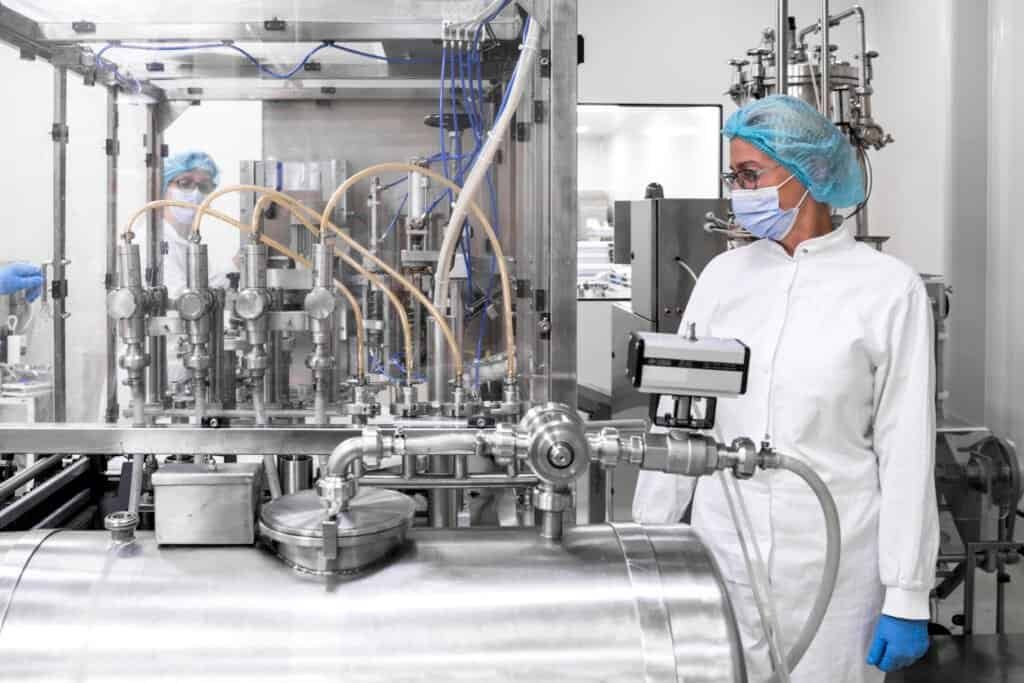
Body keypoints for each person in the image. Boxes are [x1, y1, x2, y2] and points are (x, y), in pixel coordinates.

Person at [633, 95, 938, 683]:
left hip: (834, 556)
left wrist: (907, 593)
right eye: (734, 175)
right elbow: (679, 416)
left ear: (806, 175)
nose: (737, 191)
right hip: (724, 545)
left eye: (750, 175)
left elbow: (906, 451)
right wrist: (652, 537)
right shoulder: (724, 278)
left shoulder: (887, 290)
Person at [139, 150, 237, 300]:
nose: (196, 193)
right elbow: (180, 299)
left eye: (204, 186)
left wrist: (239, 264)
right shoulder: (151, 240)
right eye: (185, 183)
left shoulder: (189, 241)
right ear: (163, 188)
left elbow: (207, 284)